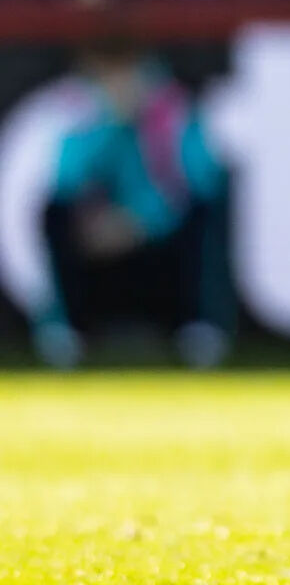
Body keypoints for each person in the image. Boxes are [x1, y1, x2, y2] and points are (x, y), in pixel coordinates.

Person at [30, 35, 232, 370]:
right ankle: (66, 332)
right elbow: (66, 183)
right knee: (54, 213)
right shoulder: (80, 114)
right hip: (99, 255)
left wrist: (141, 221)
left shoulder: (176, 110)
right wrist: (111, 124)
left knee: (203, 214)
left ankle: (199, 327)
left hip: (162, 256)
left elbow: (202, 182)